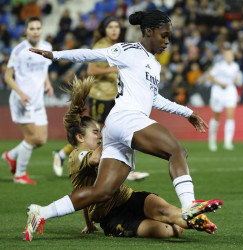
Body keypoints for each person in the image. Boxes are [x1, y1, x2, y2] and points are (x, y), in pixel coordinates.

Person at [25, 10, 222, 241]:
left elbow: (154, 99)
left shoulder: (154, 65)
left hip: (120, 126)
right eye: (163, 35)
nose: (167, 41)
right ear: (149, 31)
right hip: (127, 117)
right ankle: (189, 206)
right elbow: (91, 54)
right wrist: (55, 55)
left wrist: (186, 112)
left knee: (102, 191)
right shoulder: (128, 51)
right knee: (177, 151)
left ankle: (40, 212)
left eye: (169, 36)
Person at [25, 76, 217, 240]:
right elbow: (92, 165)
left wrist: (88, 224)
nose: (100, 136)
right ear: (80, 137)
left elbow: (84, 196)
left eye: (100, 132)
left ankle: (192, 216)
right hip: (111, 215)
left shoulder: (101, 151)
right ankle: (184, 222)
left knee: (169, 213)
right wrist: (113, 134)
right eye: (95, 132)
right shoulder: (77, 156)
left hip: (128, 198)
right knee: (170, 230)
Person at [52, 16, 149, 181]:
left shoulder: (118, 46)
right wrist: (112, 70)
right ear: (105, 30)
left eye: (116, 27)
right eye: (110, 27)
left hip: (114, 96)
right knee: (99, 134)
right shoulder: (101, 46)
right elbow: (90, 70)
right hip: (100, 96)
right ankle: (64, 154)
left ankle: (64, 155)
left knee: (112, 132)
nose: (114, 30)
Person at [1, 17, 53, 184]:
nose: (35, 31)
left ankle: (11, 156)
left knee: (41, 140)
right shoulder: (19, 51)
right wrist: (21, 93)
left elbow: (44, 68)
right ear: (26, 31)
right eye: (32, 28)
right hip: (22, 101)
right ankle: (19, 174)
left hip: (38, 101)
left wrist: (48, 83)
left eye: (38, 28)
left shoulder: (47, 47)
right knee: (31, 138)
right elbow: (7, 77)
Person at [208, 49, 242, 151]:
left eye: (231, 55)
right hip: (218, 91)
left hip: (230, 90)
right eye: (227, 55)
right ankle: (212, 140)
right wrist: (220, 83)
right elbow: (210, 77)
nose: (229, 57)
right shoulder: (219, 66)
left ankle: (228, 142)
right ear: (224, 56)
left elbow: (235, 78)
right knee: (216, 116)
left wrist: (235, 81)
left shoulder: (236, 66)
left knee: (230, 116)